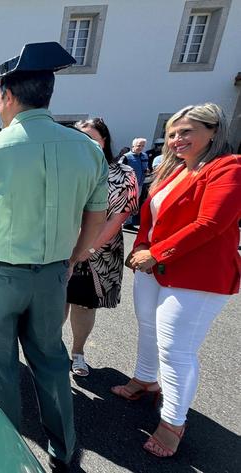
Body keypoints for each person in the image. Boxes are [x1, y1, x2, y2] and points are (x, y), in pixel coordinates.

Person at [0, 42, 108, 473]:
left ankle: (6, 453)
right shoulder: (87, 148)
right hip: (53, 273)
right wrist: (76, 256)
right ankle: (63, 449)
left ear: (7, 95)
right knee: (51, 361)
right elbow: (97, 213)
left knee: (1, 367)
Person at [114, 103, 241, 458]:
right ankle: (144, 379)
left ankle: (173, 421)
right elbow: (150, 218)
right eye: (171, 133)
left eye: (186, 131)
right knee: (148, 327)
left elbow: (210, 224)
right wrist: (141, 243)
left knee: (177, 350)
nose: (176, 139)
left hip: (197, 276)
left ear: (213, 131)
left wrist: (157, 252)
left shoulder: (227, 168)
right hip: (156, 268)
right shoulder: (174, 171)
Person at [64, 118, 139, 377]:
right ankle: (51, 351)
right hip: (60, 249)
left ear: (104, 141)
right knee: (54, 304)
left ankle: (78, 353)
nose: (86, 143)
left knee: (84, 306)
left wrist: (86, 250)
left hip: (98, 253)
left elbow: (118, 217)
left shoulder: (122, 173)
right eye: (81, 137)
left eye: (92, 137)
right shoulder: (64, 170)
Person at [120, 137, 149, 229]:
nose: (141, 148)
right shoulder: (126, 157)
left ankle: (127, 223)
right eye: (139, 145)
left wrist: (146, 171)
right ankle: (117, 222)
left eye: (143, 146)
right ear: (133, 145)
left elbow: (145, 167)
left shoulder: (144, 156)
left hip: (139, 184)